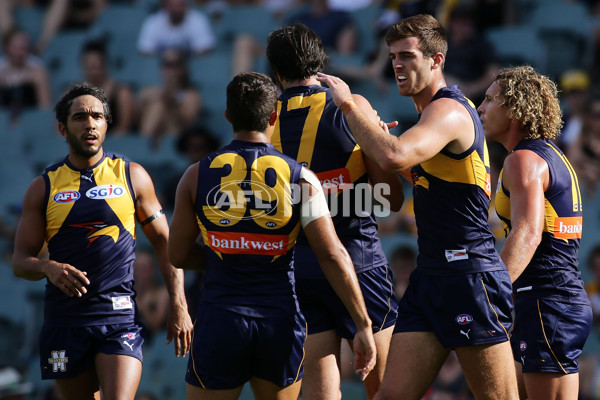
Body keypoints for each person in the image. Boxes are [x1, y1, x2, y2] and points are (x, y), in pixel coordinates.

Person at [316, 13, 519, 400]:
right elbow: (397, 187)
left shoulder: (449, 110)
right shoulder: (429, 117)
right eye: (393, 55)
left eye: (407, 55)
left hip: (468, 275)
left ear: (436, 60)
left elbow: (395, 157)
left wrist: (349, 108)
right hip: (431, 276)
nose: (397, 64)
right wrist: (373, 140)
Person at [168, 71, 376, 400]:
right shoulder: (301, 178)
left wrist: (231, 255)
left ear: (227, 117)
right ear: (274, 116)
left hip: (221, 318)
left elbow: (177, 255)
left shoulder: (196, 175)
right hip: (280, 321)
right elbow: (332, 254)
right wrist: (363, 324)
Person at [11, 82, 193, 400]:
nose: (90, 123)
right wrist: (47, 267)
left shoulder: (132, 176)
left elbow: (166, 242)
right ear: (62, 128)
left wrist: (178, 305)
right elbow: (20, 261)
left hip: (118, 318)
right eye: (80, 117)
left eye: (97, 116)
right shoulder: (43, 187)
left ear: (107, 124)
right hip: (63, 321)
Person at [265, 22, 403, 400]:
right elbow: (389, 199)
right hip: (359, 263)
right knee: (384, 388)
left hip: (299, 269)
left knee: (321, 391)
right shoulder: (350, 107)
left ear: (277, 72)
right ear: (320, 62)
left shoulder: (266, 122)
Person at [478, 65, 593, 400]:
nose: (480, 108)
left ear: (514, 109)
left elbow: (528, 234)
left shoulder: (522, 161)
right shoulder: (550, 155)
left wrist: (490, 294)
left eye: (489, 100)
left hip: (548, 302)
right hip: (553, 300)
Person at [137, 48, 202, 145]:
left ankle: (144, 145)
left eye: (176, 64)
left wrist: (172, 103)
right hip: (154, 134)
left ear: (184, 68)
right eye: (168, 65)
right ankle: (144, 144)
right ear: (162, 69)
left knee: (159, 105)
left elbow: (189, 124)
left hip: (179, 137)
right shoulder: (150, 91)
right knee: (157, 105)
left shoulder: (191, 95)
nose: (172, 70)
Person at [80, 39, 136, 135]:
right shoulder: (74, 94)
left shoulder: (121, 92)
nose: (92, 71)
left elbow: (124, 128)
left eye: (95, 66)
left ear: (104, 64)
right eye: (89, 67)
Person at [0, 28, 52, 121]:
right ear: (6, 48)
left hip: (31, 118)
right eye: (16, 48)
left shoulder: (37, 69)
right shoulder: (1, 69)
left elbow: (45, 106)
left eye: (24, 48)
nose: (20, 52)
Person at [137, 0, 215, 57]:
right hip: (162, 66)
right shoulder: (153, 22)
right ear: (165, 6)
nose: (177, 10)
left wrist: (179, 56)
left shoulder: (198, 20)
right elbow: (145, 49)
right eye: (173, 6)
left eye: (180, 5)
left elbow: (205, 48)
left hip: (191, 65)